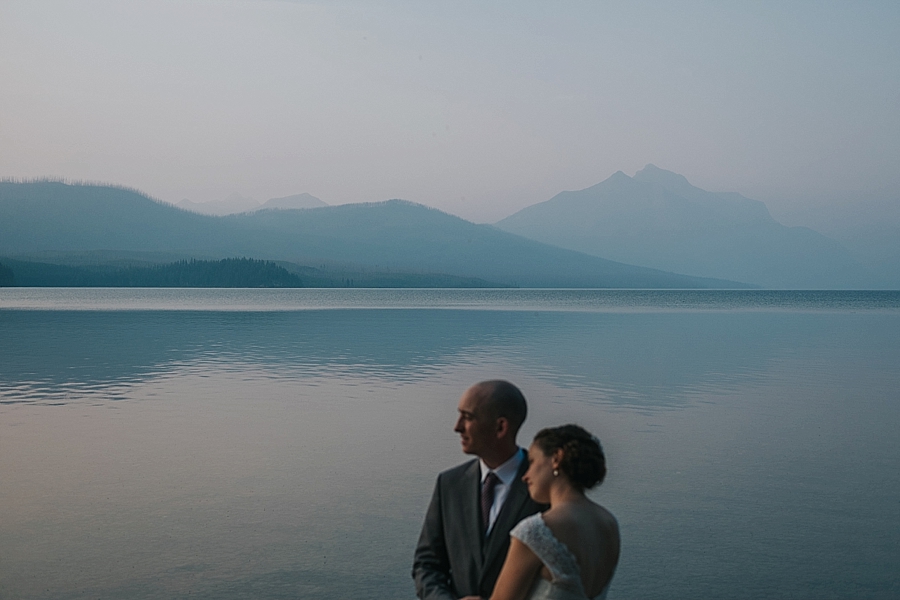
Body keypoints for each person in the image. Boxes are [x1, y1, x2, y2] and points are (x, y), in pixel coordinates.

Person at [413, 381, 547, 600]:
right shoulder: (449, 483)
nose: (457, 427)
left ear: (500, 427)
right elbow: (426, 564)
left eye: (468, 417)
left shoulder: (544, 489)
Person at [489, 425, 620, 600]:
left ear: (556, 458)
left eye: (532, 462)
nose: (525, 475)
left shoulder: (534, 532)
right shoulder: (609, 524)